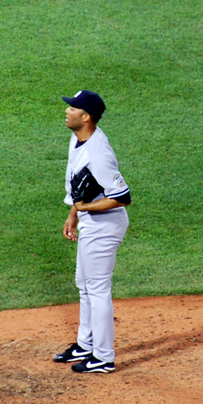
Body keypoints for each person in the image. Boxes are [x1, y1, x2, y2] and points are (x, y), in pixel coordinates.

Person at [53, 90, 131, 374]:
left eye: (73, 108)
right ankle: (85, 345)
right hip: (91, 221)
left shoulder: (99, 153)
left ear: (86, 117)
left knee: (97, 289)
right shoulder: (78, 138)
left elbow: (122, 196)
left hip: (106, 223)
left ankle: (103, 357)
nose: (67, 111)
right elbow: (80, 188)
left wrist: (85, 209)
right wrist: (74, 213)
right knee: (84, 285)